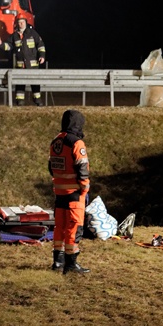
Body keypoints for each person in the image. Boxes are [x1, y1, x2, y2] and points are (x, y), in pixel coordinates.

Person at [48, 109, 91, 274]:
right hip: (74, 194)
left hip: (59, 193)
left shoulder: (55, 142)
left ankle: (57, 262)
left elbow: (51, 168)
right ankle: (71, 265)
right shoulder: (76, 143)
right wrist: (85, 188)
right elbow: (82, 168)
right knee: (74, 228)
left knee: (60, 227)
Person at [0, 14, 46, 106]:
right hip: (20, 65)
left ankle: (37, 100)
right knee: (20, 84)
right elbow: (9, 46)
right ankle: (20, 101)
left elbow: (40, 45)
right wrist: (1, 45)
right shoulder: (14, 36)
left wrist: (42, 56)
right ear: (16, 24)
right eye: (19, 22)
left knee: (35, 83)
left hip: (33, 65)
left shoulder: (33, 33)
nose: (21, 24)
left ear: (26, 22)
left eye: (22, 22)